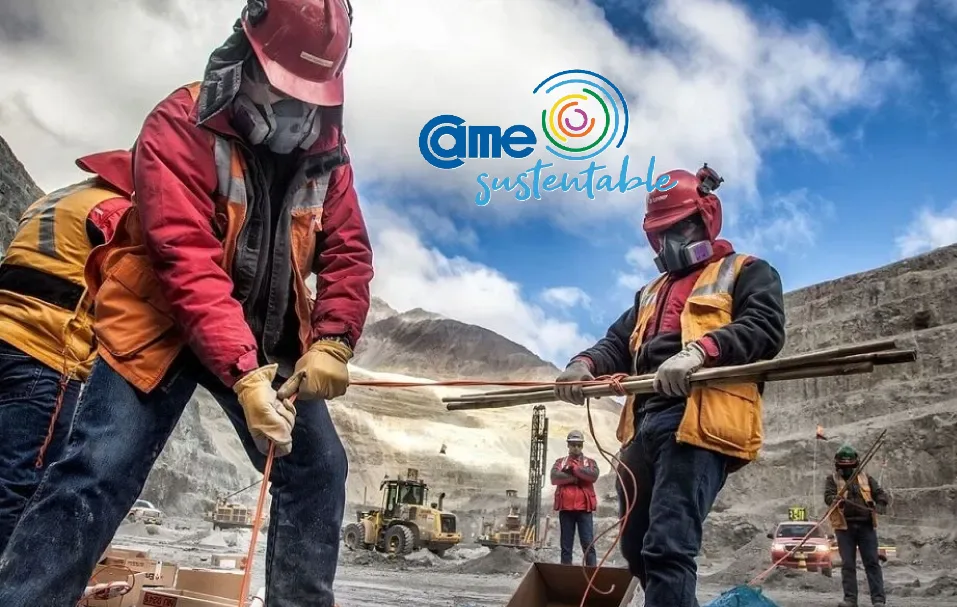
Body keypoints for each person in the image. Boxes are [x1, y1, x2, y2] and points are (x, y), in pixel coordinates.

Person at [0, 0, 372, 605]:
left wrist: (333, 339)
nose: (294, 107)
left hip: (265, 329)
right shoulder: (180, 122)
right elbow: (186, 260)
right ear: (246, 53)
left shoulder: (329, 151)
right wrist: (244, 378)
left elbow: (348, 252)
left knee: (317, 469)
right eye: (283, 86)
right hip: (160, 320)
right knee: (96, 469)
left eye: (310, 92)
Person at [553, 164, 786, 606]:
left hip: (699, 419)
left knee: (668, 547)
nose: (670, 243)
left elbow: (765, 327)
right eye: (661, 234)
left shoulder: (746, 271)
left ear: (707, 216)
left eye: (679, 229)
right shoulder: (650, 292)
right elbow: (617, 343)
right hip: (646, 422)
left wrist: (701, 351)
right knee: (637, 547)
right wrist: (582, 364)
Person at [0, 151, 132, 553]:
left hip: (6, 334)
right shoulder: (115, 212)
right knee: (19, 485)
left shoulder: (57, 199)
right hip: (44, 352)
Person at [825, 445, 889, 607]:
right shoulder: (831, 479)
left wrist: (881, 503)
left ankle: (878, 600)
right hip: (844, 527)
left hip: (866, 526)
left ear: (856, 464)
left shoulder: (866, 478)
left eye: (850, 466)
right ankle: (850, 600)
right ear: (838, 465)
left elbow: (880, 493)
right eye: (843, 466)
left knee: (872, 562)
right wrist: (835, 499)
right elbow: (828, 496)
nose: (847, 469)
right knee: (848, 564)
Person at [550, 429, 600, 566]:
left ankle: (592, 577)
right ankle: (566, 577)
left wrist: (574, 470)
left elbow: (593, 476)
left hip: (584, 510)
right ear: (568, 445)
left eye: (579, 445)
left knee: (588, 545)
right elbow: (554, 478)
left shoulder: (590, 463)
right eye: (573, 445)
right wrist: (576, 479)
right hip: (566, 510)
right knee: (566, 547)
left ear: (582, 446)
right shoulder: (559, 462)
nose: (576, 448)